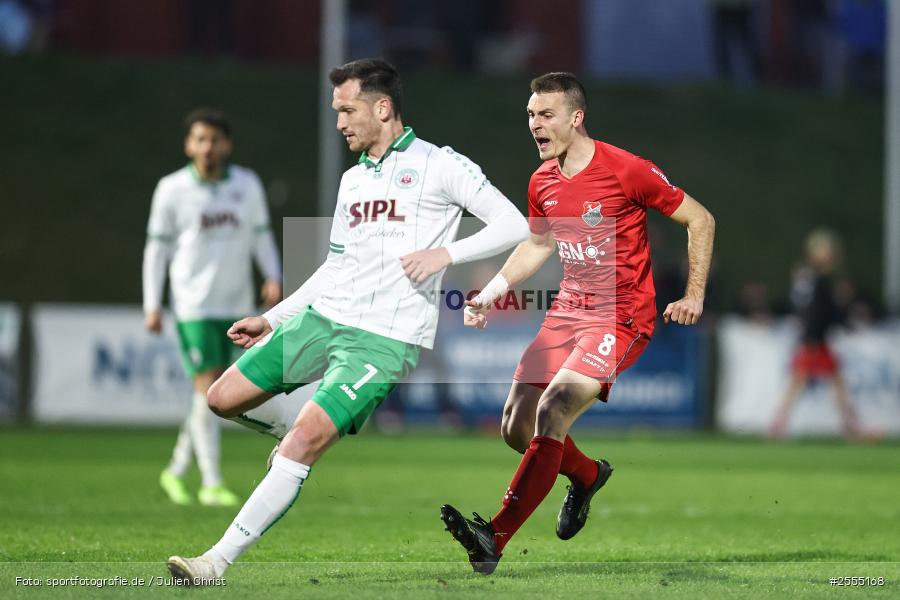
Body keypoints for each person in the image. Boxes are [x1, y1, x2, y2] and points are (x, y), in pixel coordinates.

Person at [165, 58, 529, 584]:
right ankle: (303, 428)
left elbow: (513, 223)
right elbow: (336, 265)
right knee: (221, 398)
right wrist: (272, 318)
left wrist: (445, 255)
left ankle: (213, 562)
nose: (339, 121)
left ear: (383, 108)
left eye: (347, 109)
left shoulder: (441, 165)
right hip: (323, 318)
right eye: (336, 110)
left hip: (383, 340)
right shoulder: (354, 180)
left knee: (301, 445)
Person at [440, 72, 716, 574]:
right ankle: (587, 475)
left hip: (621, 315)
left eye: (545, 115)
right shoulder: (541, 179)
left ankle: (493, 537)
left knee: (554, 407)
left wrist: (694, 294)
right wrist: (493, 293)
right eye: (529, 115)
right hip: (567, 311)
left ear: (576, 117)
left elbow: (701, 218)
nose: (534, 125)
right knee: (514, 426)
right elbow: (540, 245)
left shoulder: (626, 170)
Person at [143, 108, 283, 507]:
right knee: (208, 390)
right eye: (200, 139)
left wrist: (273, 275)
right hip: (193, 305)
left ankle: (175, 470)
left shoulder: (246, 184)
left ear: (227, 144)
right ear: (189, 145)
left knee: (212, 391)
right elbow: (157, 249)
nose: (208, 147)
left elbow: (261, 236)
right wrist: (152, 303)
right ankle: (211, 481)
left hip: (237, 304)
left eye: (215, 139)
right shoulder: (171, 189)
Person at [768, 229, 864, 439]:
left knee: (821, 383)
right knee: (803, 382)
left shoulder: (809, 277)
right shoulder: (818, 279)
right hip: (814, 340)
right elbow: (820, 311)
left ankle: (851, 427)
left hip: (815, 340)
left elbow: (808, 307)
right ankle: (778, 426)